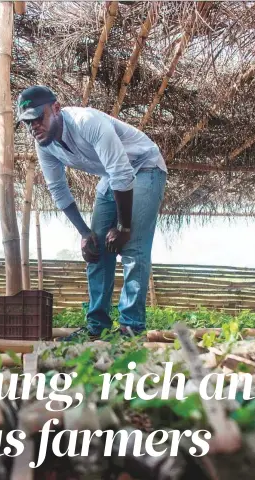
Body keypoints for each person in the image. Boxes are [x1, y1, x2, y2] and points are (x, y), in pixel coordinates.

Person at [16, 86, 167, 341]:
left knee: (132, 248)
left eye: (37, 118)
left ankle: (131, 329)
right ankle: (97, 326)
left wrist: (124, 229)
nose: (34, 127)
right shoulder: (45, 146)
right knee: (95, 249)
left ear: (55, 108)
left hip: (145, 166)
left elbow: (122, 172)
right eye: (27, 123)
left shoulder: (87, 122)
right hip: (112, 177)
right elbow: (58, 189)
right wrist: (85, 233)